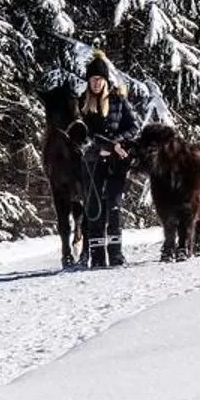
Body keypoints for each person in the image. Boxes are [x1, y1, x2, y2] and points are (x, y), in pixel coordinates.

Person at [77, 54, 134, 268]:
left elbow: (132, 127)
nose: (97, 83)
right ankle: (98, 256)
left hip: (116, 163)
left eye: (100, 79)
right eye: (93, 79)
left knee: (114, 206)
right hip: (91, 162)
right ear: (88, 81)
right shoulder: (81, 103)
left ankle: (116, 254)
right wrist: (104, 147)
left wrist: (116, 144)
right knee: (94, 209)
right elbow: (83, 134)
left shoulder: (118, 101)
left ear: (106, 81)